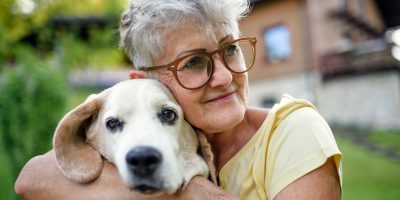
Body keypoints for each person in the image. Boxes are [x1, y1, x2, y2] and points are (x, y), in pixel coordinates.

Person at [15, 0, 342, 199]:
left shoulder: (293, 130)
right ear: (146, 82)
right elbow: (32, 177)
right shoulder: (131, 140)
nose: (225, 77)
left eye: (230, 49)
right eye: (194, 62)